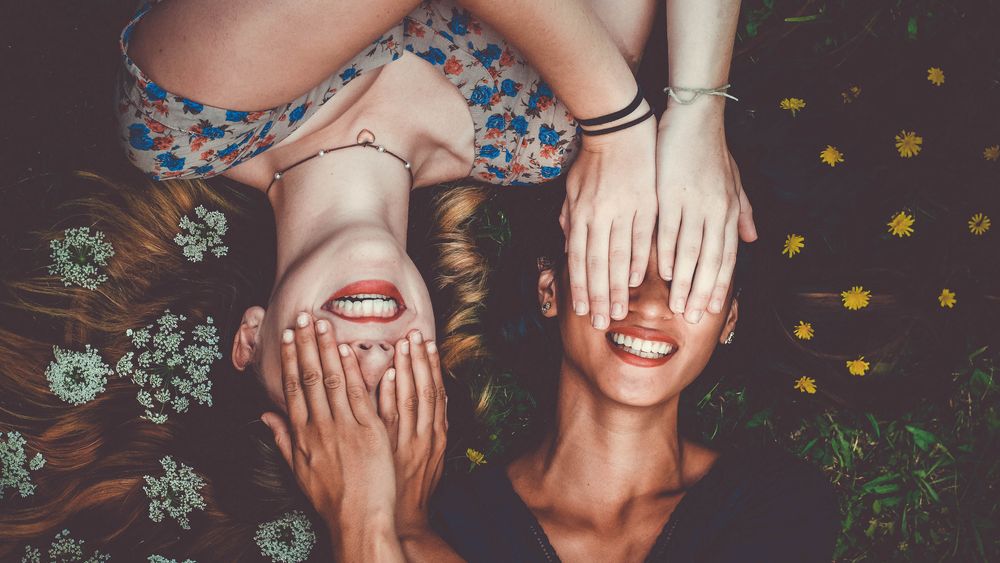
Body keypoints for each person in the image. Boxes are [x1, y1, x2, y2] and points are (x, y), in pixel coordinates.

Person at [117, 0, 758, 409]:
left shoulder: (184, 123)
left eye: (325, 387)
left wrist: (619, 122)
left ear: (251, 339)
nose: (370, 359)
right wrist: (699, 113)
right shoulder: (532, 136)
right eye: (399, 396)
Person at [267, 213, 840, 561]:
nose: (650, 301)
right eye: (618, 260)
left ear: (729, 319)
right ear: (551, 288)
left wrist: (373, 528)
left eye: (691, 275)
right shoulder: (456, 518)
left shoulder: (779, 504)